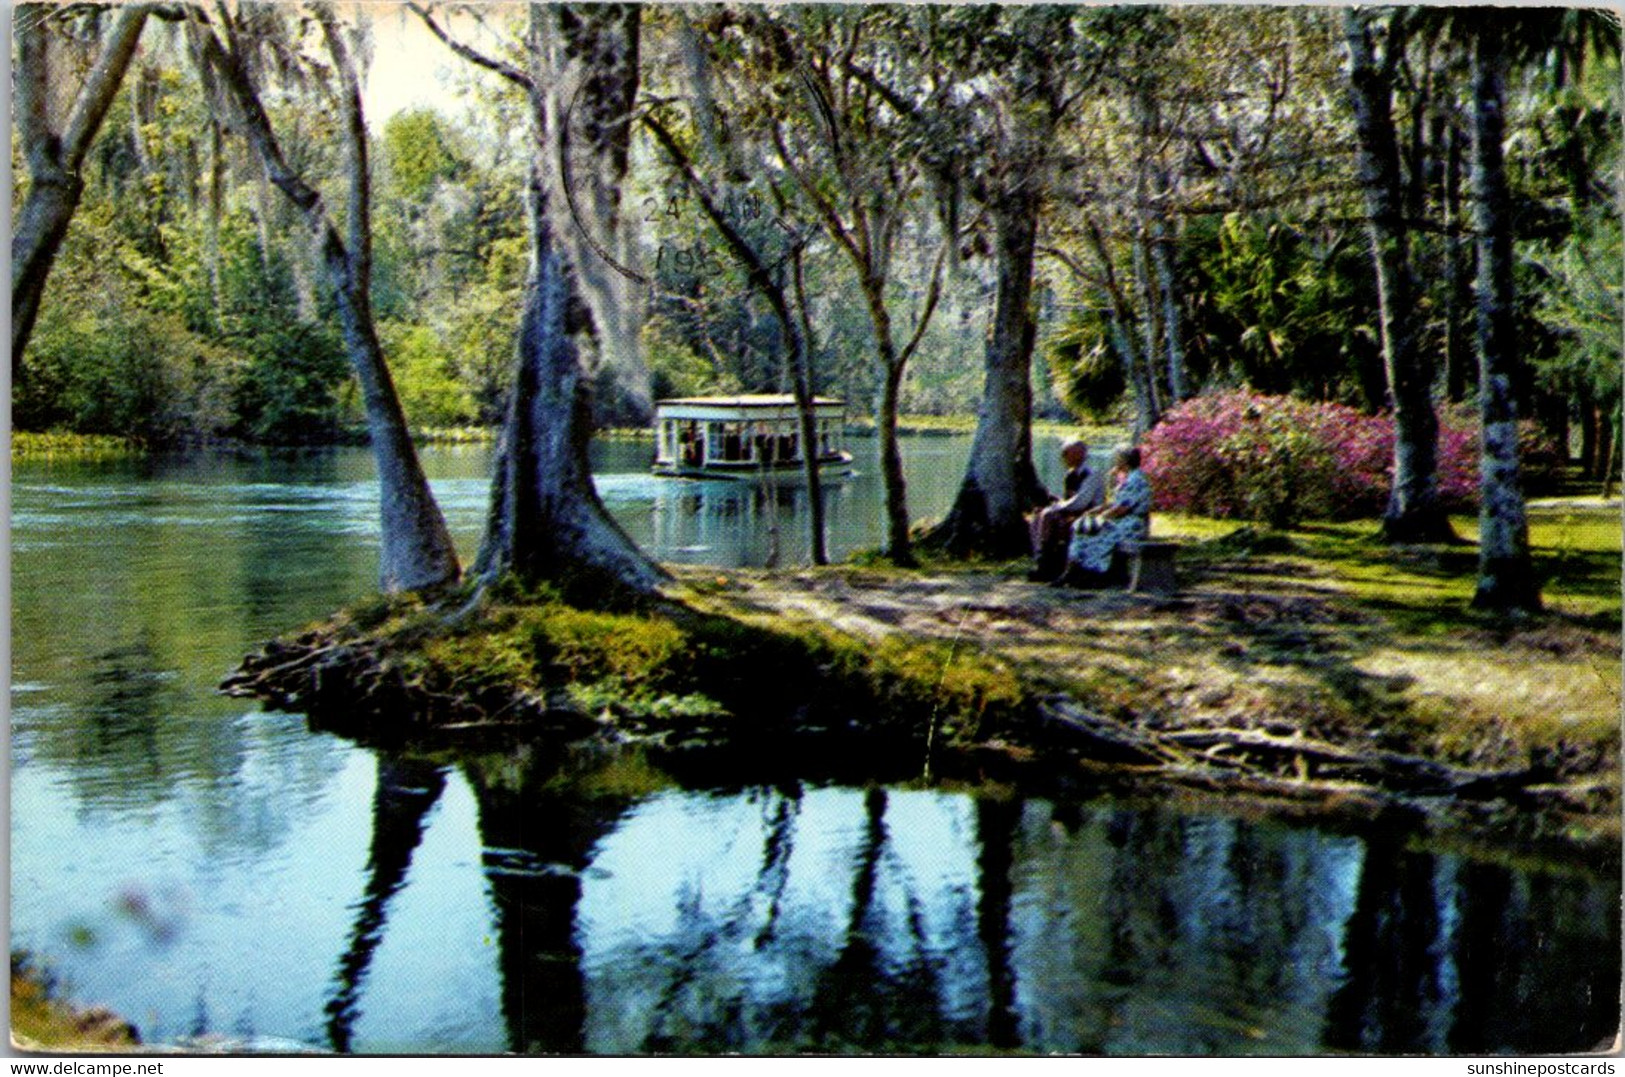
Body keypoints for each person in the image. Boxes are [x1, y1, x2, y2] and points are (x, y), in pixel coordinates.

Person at [1058, 446, 1152, 588]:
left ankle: (1093, 573)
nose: (1115, 462)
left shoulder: (1135, 480)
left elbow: (1122, 508)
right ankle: (1074, 570)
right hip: (1122, 521)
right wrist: (1095, 511)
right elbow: (1114, 503)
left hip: (1131, 524)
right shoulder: (1127, 478)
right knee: (1083, 527)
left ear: (1124, 461)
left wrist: (1102, 516)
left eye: (1117, 459)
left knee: (1095, 532)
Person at [1027, 439, 1105, 581]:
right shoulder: (1070, 475)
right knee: (1039, 514)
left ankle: (1046, 564)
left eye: (1066, 453)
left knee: (1048, 515)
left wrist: (1056, 508)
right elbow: (1068, 501)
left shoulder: (1092, 475)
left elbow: (1081, 502)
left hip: (1089, 514)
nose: (1062, 457)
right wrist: (1054, 502)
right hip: (1073, 512)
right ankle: (1041, 558)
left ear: (1078, 455)